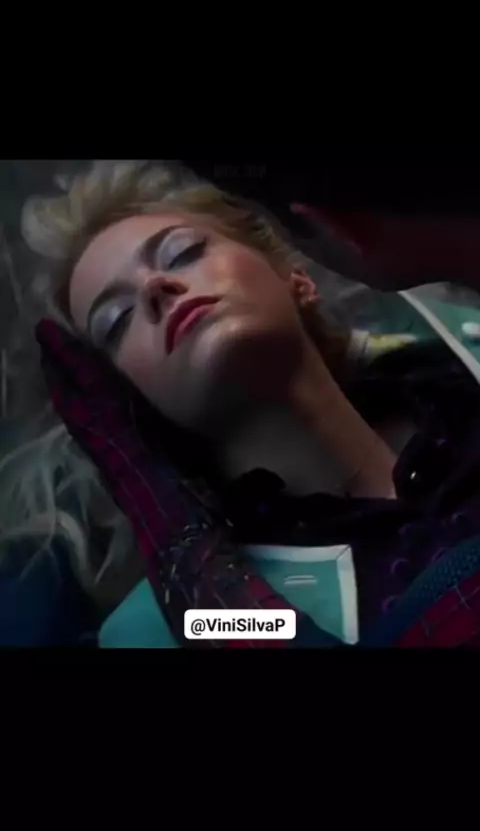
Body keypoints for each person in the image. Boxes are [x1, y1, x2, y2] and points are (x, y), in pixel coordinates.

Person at [4, 160, 480, 647]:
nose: (154, 288)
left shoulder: (464, 374)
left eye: (183, 252)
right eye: (117, 319)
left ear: (294, 276)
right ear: (132, 404)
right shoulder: (168, 623)